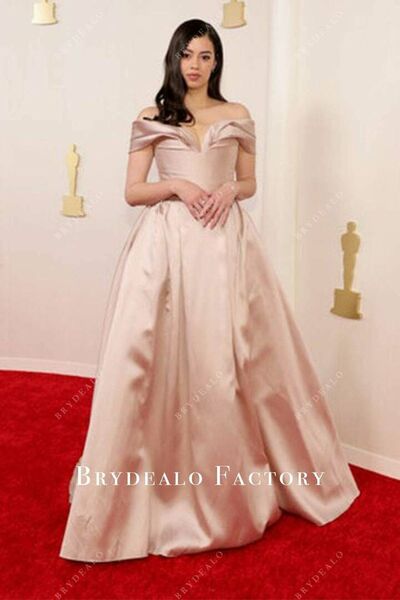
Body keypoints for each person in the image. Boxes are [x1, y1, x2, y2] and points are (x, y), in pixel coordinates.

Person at [59, 18, 359, 563]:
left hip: (225, 244)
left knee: (239, 357)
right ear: (173, 58)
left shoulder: (237, 113)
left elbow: (249, 182)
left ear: (216, 61)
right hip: (167, 248)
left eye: (205, 55)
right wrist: (176, 184)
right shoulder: (151, 117)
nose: (195, 65)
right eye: (186, 55)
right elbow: (132, 192)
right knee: (152, 362)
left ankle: (236, 493)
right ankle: (151, 496)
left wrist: (228, 190)